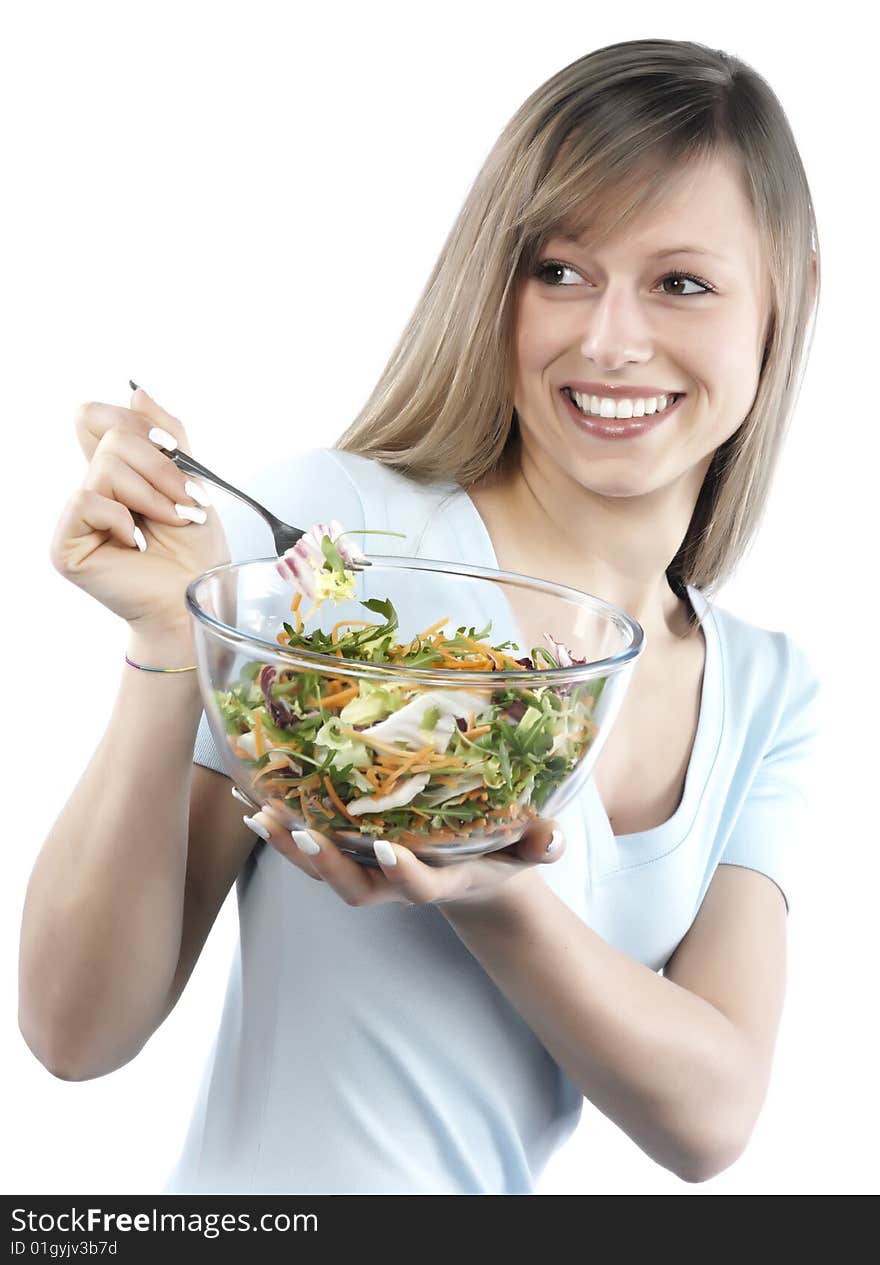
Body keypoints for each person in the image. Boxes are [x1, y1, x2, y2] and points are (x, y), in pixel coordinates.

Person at [19, 37, 822, 1194]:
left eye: (680, 281)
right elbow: (72, 1028)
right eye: (559, 270)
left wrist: (496, 891)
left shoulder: (766, 686)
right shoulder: (329, 540)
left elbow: (710, 1116)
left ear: (787, 292)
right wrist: (165, 646)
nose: (609, 340)